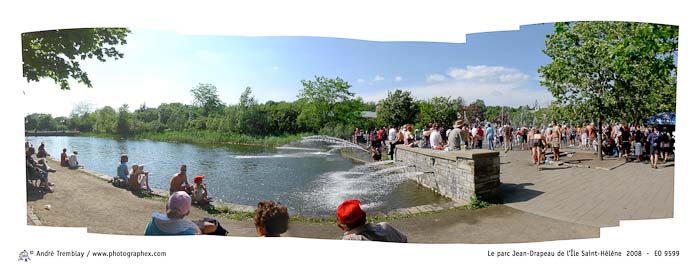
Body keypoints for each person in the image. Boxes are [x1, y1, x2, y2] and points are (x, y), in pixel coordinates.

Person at [336, 199, 407, 242]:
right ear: (365, 216)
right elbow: (404, 240)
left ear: (343, 227)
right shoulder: (385, 227)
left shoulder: (349, 240)